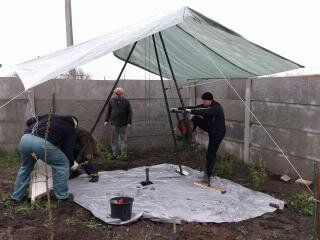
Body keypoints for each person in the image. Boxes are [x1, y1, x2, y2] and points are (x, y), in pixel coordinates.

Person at [11, 114, 78, 202]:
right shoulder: (70, 128)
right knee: (62, 163)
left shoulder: (50, 116)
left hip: (26, 139)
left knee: (26, 167)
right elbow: (68, 149)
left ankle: (16, 197)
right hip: (42, 143)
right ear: (74, 124)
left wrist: (39, 129)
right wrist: (71, 163)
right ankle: (62, 196)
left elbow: (29, 121)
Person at [174, 92, 226, 183]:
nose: (203, 102)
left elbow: (204, 111)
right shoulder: (204, 105)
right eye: (203, 100)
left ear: (210, 100)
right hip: (211, 128)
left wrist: (191, 111)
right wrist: (178, 109)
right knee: (195, 119)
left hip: (218, 132)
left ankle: (208, 175)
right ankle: (188, 136)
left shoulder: (216, 107)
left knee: (210, 153)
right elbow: (194, 108)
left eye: (205, 101)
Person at [104, 87, 132, 159]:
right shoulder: (111, 101)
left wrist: (129, 122)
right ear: (115, 94)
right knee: (114, 139)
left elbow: (130, 112)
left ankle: (123, 155)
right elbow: (108, 111)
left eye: (120, 94)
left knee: (123, 140)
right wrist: (106, 120)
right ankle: (114, 154)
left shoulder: (126, 102)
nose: (118, 95)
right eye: (117, 94)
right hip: (114, 123)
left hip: (123, 124)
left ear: (123, 94)